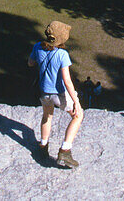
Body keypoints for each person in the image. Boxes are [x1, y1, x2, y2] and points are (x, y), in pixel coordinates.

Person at [28, 20, 84, 168]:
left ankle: (43, 146)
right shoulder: (62, 54)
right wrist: (76, 102)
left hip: (44, 92)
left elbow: (30, 63)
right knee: (78, 116)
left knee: (47, 116)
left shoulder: (37, 47)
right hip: (59, 94)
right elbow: (67, 81)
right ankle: (65, 151)